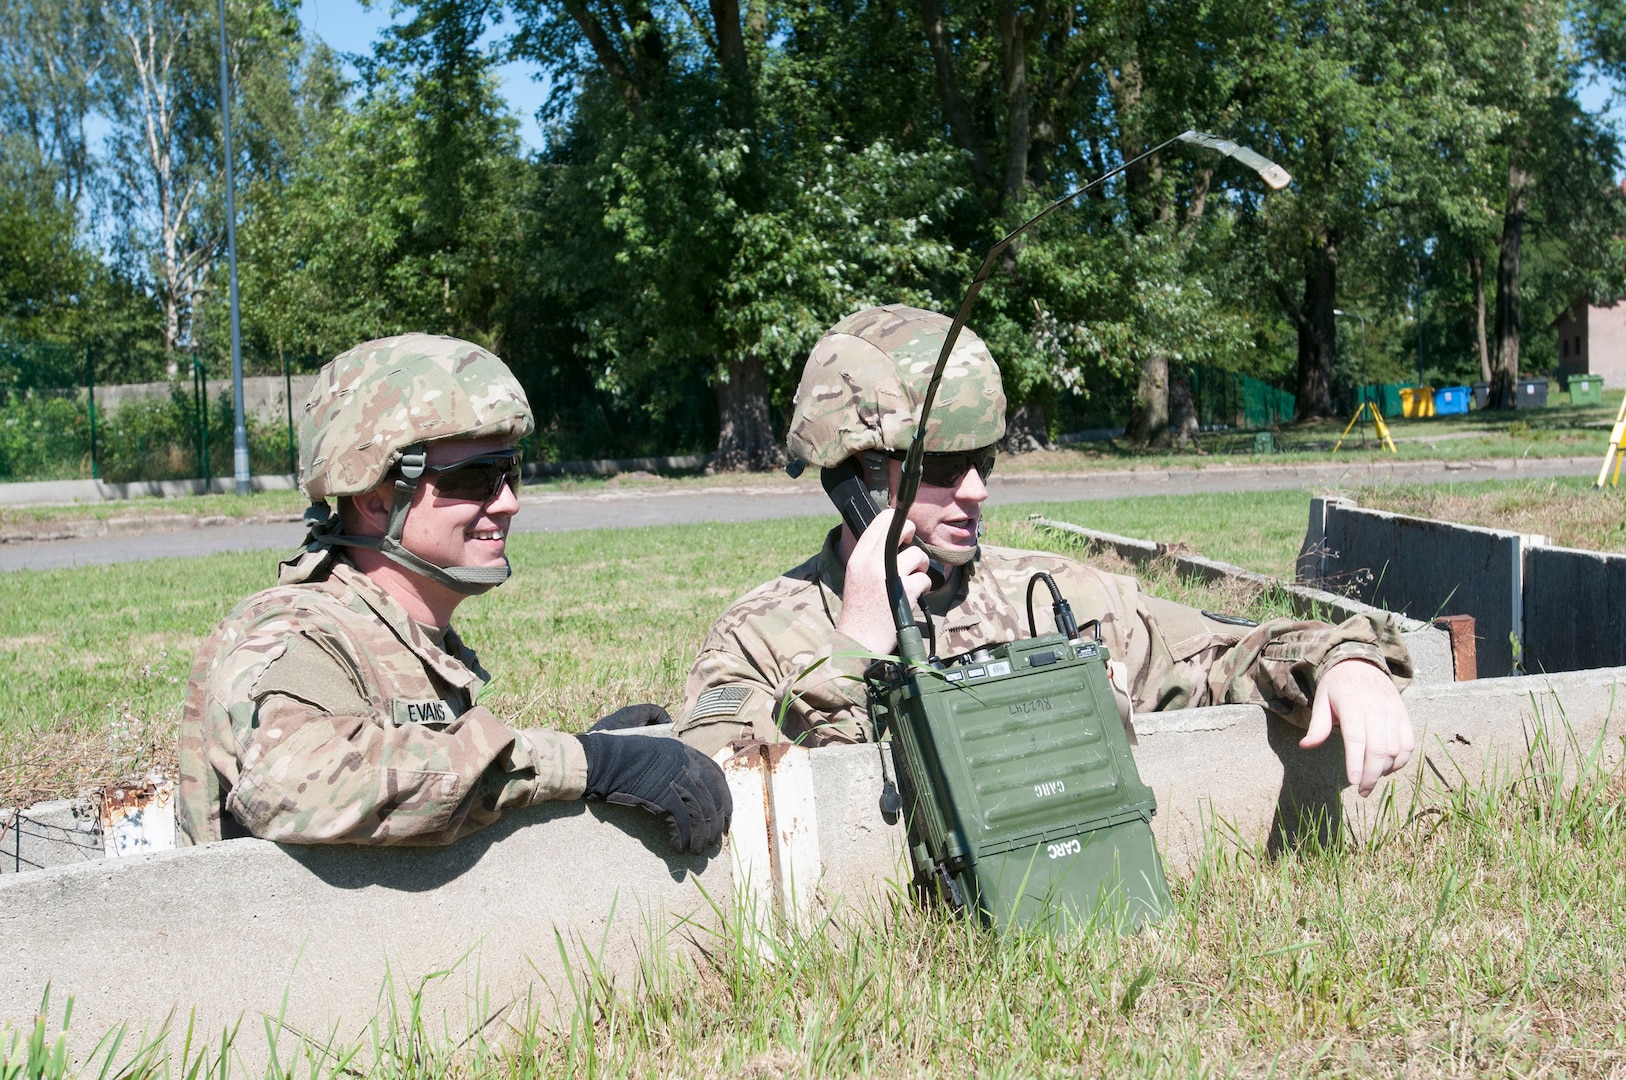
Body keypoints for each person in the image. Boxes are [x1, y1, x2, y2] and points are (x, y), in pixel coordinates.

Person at [676, 305, 1415, 797]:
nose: (975, 491)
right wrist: (855, 651)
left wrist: (1345, 661)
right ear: (852, 474)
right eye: (938, 467)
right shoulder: (763, 635)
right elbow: (717, 794)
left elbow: (1223, 653)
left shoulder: (1055, 595)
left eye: (985, 462)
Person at [179, 334, 730, 852]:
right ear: (374, 499)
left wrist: (585, 760)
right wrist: (577, 761)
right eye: (474, 477)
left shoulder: (399, 632)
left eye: (511, 471)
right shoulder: (295, 632)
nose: (508, 502)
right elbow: (294, 785)